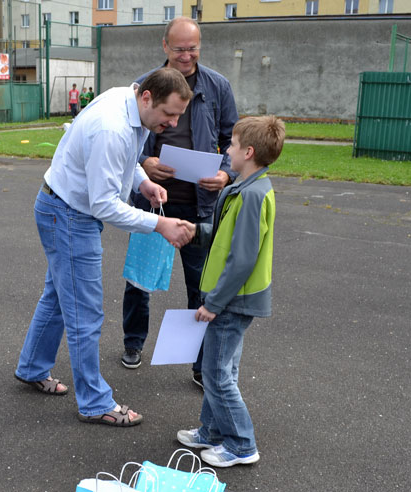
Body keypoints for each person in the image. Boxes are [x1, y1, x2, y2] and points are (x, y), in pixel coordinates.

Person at [15, 67, 195, 427]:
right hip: (70, 216)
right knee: (84, 313)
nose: (173, 123)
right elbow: (104, 205)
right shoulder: (111, 127)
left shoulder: (130, 102)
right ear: (147, 97)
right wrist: (160, 224)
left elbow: (127, 159)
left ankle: (32, 366)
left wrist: (142, 183)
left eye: (178, 115)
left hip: (61, 207)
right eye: (169, 114)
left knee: (58, 297)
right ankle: (94, 402)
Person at [120, 18, 239, 386]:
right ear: (164, 46)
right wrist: (145, 163)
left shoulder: (218, 86)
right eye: (179, 49)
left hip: (199, 206)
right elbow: (129, 136)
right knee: (140, 280)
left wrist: (225, 175)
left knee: (200, 286)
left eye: (193, 48)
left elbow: (232, 139)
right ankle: (133, 342)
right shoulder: (145, 84)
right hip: (153, 201)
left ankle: (199, 364)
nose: (186, 56)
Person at [176, 115, 285, 467]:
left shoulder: (252, 195)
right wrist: (197, 231)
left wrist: (214, 303)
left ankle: (241, 444)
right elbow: (227, 235)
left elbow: (242, 259)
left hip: (232, 302)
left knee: (217, 374)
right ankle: (211, 431)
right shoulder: (242, 188)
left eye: (233, 145)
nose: (227, 150)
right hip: (228, 299)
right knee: (218, 370)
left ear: (248, 152)